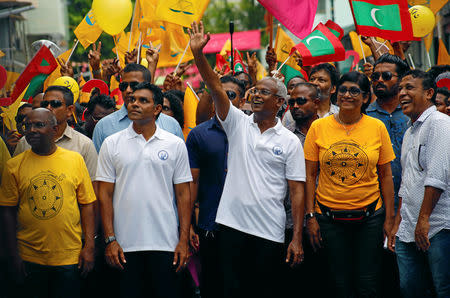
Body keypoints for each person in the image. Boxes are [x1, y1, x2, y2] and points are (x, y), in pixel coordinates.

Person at [189, 21, 306, 298]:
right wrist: (197, 55)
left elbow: (297, 191)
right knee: (230, 290)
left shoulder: (289, 141)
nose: (255, 95)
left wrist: (297, 237)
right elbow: (216, 87)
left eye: (263, 92)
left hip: (269, 231)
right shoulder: (238, 124)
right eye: (254, 91)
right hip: (231, 227)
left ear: (280, 103)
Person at [96, 82, 192, 298]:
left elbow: (184, 194)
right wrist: (110, 239)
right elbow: (104, 195)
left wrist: (183, 240)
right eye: (131, 100)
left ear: (157, 108)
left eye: (143, 100)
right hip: (124, 246)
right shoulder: (112, 144)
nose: (134, 104)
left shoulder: (175, 144)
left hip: (166, 243)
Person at [304, 71, 396, 297]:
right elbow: (309, 176)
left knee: (368, 282)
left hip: (370, 218)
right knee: (338, 282)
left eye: (354, 90)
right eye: (343, 89)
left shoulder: (377, 127)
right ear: (336, 93)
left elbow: (385, 175)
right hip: (328, 218)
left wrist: (389, 218)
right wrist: (311, 216)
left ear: (366, 98)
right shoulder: (318, 127)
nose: (347, 94)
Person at [0, 108, 96, 298]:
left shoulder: (75, 160)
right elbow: (7, 212)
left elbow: (87, 205)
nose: (32, 130)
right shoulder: (14, 165)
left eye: (39, 125)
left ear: (54, 129)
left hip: (69, 258)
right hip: (29, 258)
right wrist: (13, 255)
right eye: (28, 126)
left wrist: (89, 248)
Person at [391, 70, 450, 298]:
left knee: (443, 289)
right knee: (410, 288)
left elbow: (437, 176)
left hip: (438, 226)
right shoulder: (409, 132)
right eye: (400, 89)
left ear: (429, 93)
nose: (402, 93)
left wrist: (424, 219)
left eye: (409, 88)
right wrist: (399, 223)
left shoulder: (440, 123)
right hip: (410, 227)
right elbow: (407, 182)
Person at [185, 75, 246, 298]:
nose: (224, 100)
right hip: (211, 224)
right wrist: (189, 225)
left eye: (230, 95)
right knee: (212, 284)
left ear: (242, 100)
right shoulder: (198, 135)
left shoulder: (252, 132)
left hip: (247, 225)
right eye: (218, 95)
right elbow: (191, 182)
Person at [92, 63, 183, 152]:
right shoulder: (103, 126)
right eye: (124, 86)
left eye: (134, 85)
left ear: (147, 86)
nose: (128, 90)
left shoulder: (171, 125)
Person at [13, 86, 98, 179]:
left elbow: (92, 188)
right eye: (45, 104)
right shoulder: (24, 143)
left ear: (69, 110)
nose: (48, 108)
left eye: (55, 104)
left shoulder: (84, 145)